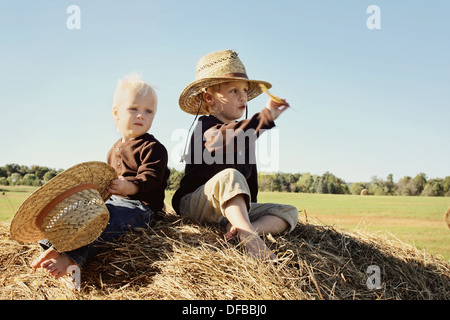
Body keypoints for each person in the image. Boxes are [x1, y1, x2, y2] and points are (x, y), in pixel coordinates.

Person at [31, 73, 170, 278]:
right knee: (86, 212)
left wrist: (129, 187)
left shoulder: (153, 148)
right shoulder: (114, 149)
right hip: (116, 201)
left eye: (148, 111)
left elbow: (152, 178)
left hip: (142, 207)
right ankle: (55, 244)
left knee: (107, 221)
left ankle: (72, 257)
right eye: (134, 108)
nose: (141, 115)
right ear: (116, 113)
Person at [172, 50, 298, 260]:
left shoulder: (245, 135)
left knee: (288, 212)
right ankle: (250, 240)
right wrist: (265, 118)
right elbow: (222, 141)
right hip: (196, 203)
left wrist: (247, 212)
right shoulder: (206, 128)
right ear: (209, 97)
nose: (243, 97)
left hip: (228, 209)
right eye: (233, 91)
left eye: (245, 91)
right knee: (230, 176)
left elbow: (250, 182)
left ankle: (244, 228)